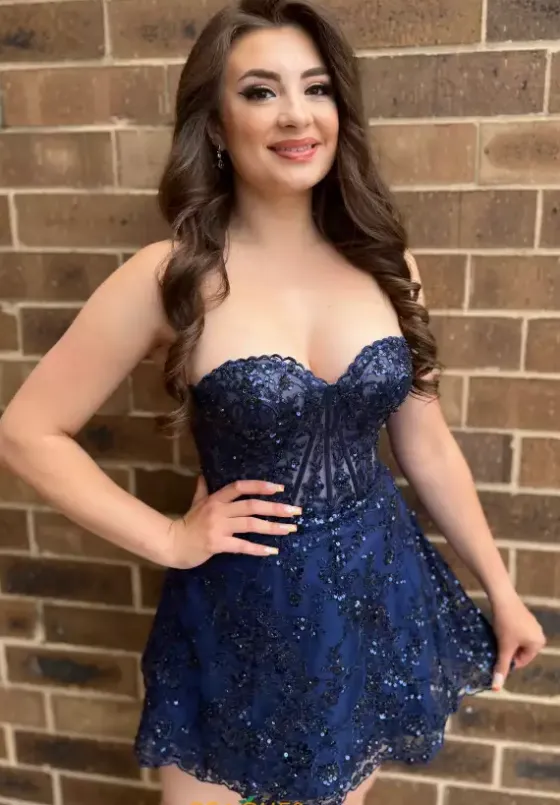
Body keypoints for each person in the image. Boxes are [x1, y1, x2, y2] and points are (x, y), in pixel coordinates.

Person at [0, 1, 546, 803]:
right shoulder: (172, 275)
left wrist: (501, 590)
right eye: (260, 91)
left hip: (369, 596)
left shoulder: (386, 263)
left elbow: (426, 443)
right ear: (216, 125)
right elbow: (27, 431)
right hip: (238, 612)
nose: (296, 114)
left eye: (316, 88)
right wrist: (169, 536)